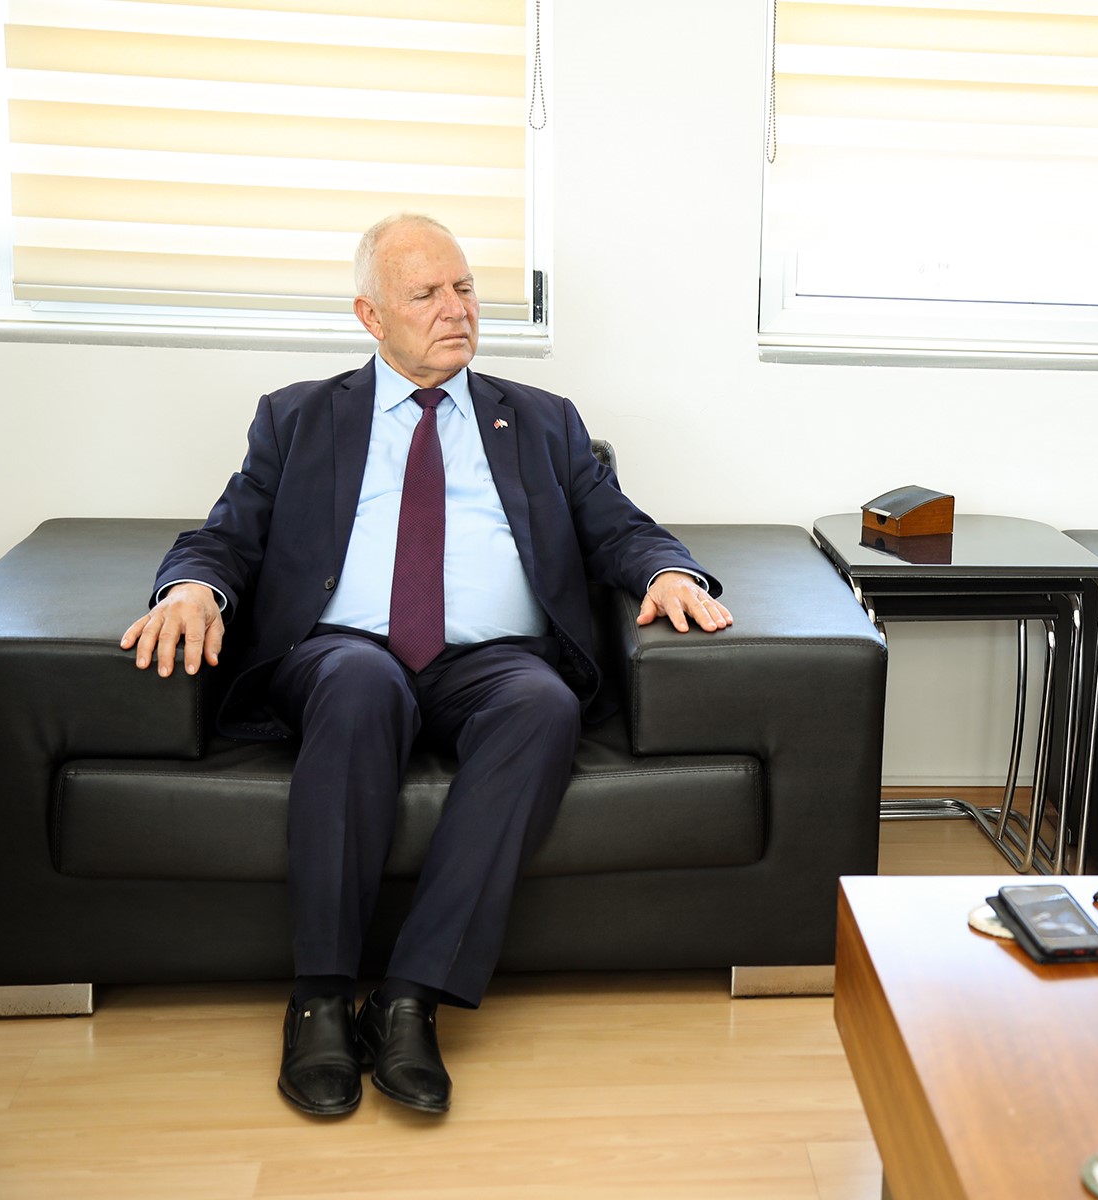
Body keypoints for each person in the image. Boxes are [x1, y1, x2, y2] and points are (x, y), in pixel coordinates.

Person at [120, 213, 732, 1117]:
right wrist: (191, 591)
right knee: (359, 685)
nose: (457, 309)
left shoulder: (542, 420)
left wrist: (668, 572)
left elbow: (618, 526)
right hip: (342, 650)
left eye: (465, 288)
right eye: (426, 294)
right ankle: (321, 999)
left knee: (544, 704)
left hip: (494, 660)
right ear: (371, 315)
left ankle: (410, 999)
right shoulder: (298, 417)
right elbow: (227, 535)